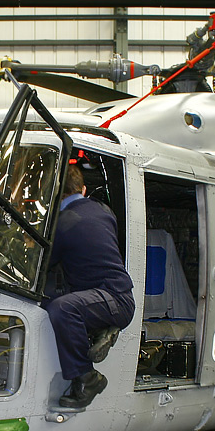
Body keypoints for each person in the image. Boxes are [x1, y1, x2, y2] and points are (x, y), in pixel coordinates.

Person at [45, 166, 135, 409]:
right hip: (117, 296)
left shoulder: (64, 224)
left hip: (113, 300)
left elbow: (42, 263)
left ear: (54, 195)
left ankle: (87, 378)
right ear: (83, 189)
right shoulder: (104, 210)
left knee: (62, 308)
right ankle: (97, 329)